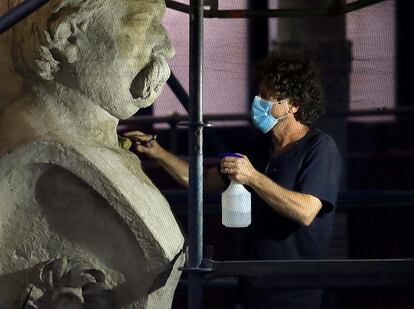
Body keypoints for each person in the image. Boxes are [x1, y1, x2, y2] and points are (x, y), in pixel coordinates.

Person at [0, 0, 184, 308]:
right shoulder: (35, 161)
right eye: (145, 21)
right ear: (69, 36)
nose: (168, 46)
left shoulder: (97, 148)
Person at [125, 54, 342, 308]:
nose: (257, 102)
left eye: (266, 97)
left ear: (293, 105)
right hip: (252, 285)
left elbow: (306, 211)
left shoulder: (319, 148)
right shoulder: (259, 148)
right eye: (258, 93)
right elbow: (203, 181)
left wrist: (253, 177)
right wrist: (158, 152)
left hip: (295, 292)